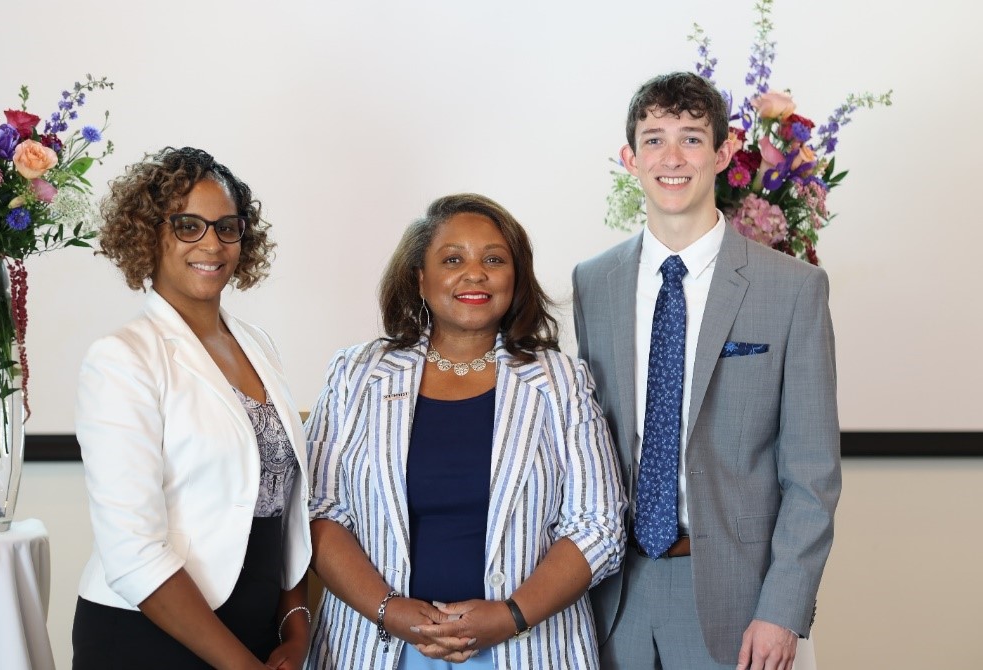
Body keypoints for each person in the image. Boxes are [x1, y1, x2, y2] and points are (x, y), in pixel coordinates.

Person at [573, 72, 842, 670]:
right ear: (629, 158)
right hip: (614, 597)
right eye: (654, 139)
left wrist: (783, 607)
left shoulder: (792, 289)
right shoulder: (594, 284)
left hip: (740, 599)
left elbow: (812, 473)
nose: (672, 157)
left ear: (722, 154)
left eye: (692, 138)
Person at [304, 193, 626, 670]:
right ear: (419, 277)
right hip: (378, 648)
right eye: (452, 259)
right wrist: (390, 612)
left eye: (493, 259)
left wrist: (510, 615)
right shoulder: (355, 374)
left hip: (527, 648)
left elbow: (598, 527)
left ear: (514, 278)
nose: (474, 274)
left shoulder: (560, 381)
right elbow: (320, 513)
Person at [72, 147, 313, 669]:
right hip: (147, 636)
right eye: (188, 225)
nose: (212, 243)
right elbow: (132, 552)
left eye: (227, 227)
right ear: (148, 233)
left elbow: (284, 507)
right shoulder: (122, 358)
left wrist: (296, 629)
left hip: (253, 629)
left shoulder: (257, 344)